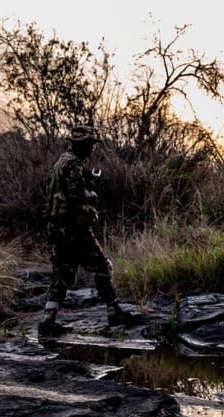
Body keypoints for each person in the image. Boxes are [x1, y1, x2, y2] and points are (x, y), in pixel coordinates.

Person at [38, 125, 135, 336]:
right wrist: (90, 194)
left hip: (61, 228)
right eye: (90, 144)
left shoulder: (64, 161)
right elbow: (74, 194)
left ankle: (48, 320)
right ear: (80, 144)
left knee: (63, 273)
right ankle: (113, 312)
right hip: (74, 229)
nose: (93, 148)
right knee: (101, 265)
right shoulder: (72, 163)